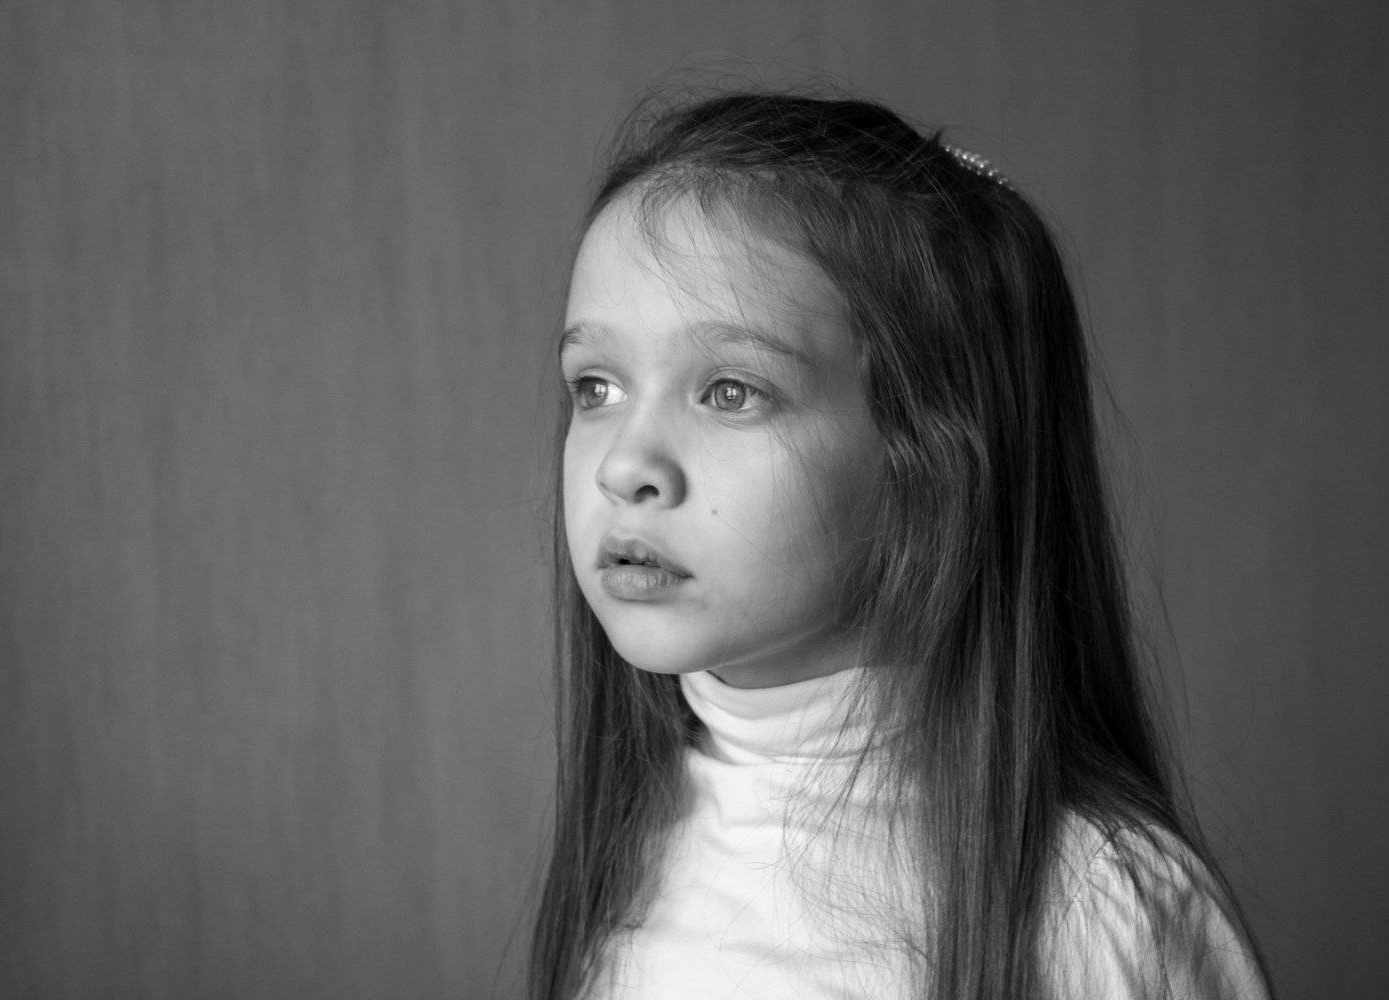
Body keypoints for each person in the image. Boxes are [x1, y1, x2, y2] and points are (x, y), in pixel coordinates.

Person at [529, 91, 1271, 1000]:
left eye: (731, 392)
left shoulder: (1097, 908)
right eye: (596, 388)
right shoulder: (631, 846)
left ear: (933, 461)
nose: (624, 466)